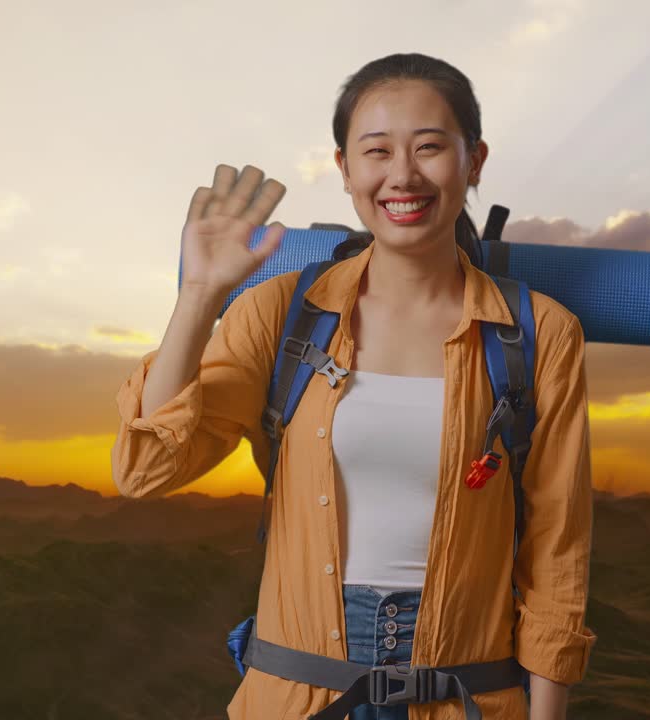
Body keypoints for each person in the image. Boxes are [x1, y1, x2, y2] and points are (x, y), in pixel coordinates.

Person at [111, 52, 596, 720]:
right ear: (344, 169)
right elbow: (144, 469)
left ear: (474, 160)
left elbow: (557, 549)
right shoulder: (277, 312)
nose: (403, 175)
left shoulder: (541, 333)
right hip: (296, 698)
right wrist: (199, 296)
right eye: (376, 151)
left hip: (468, 700)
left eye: (430, 147)